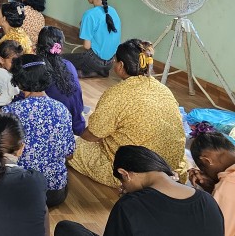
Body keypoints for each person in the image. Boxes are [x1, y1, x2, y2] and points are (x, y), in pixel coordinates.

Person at [68, 39, 187, 188]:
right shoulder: (163, 89)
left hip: (134, 174)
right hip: (170, 168)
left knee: (69, 144)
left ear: (121, 65)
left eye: (115, 60)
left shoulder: (116, 94)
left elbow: (92, 135)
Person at [55, 146, 225, 236]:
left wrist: (130, 201)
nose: (122, 188)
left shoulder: (130, 206)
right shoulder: (207, 200)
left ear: (125, 174)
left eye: (122, 182)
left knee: (67, 229)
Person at [2, 54, 75, 207]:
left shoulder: (10, 111)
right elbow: (69, 154)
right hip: (55, 193)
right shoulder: (62, 110)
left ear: (19, 82)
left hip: (20, 190)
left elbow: (1, 151)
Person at [63, 0, 122, 78]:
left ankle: (87, 71)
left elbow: (86, 46)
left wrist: (85, 28)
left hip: (94, 60)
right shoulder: (113, 11)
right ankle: (98, 71)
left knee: (61, 59)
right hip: (110, 62)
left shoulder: (89, 15)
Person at [36, 26, 85, 135]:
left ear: (38, 45)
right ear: (61, 47)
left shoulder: (38, 68)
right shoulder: (69, 65)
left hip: (54, 125)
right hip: (76, 123)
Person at [190, 127, 235, 236]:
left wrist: (215, 191)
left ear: (207, 160)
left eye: (203, 170)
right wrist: (212, 187)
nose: (205, 174)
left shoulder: (225, 188)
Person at [0, 40, 24, 108]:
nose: (16, 65)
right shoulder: (8, 76)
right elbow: (15, 92)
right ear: (2, 60)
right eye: (13, 62)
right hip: (2, 106)